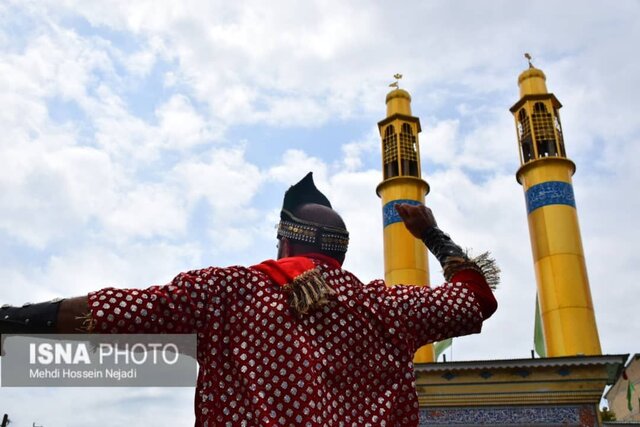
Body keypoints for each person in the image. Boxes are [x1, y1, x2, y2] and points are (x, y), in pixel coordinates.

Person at [1, 172, 498, 426]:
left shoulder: (229, 292)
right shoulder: (388, 308)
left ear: (284, 241)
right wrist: (432, 236)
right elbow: (475, 300)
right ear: (340, 255)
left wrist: (14, 322)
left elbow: (113, 311)